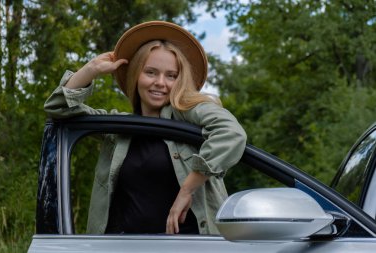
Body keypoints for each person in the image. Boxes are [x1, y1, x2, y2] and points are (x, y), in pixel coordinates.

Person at [44, 21, 247, 235]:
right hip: (126, 248)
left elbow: (231, 132)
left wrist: (187, 189)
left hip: (192, 248)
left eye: (171, 75)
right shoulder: (118, 128)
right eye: (150, 72)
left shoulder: (189, 117)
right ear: (135, 75)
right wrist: (91, 69)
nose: (161, 82)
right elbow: (57, 109)